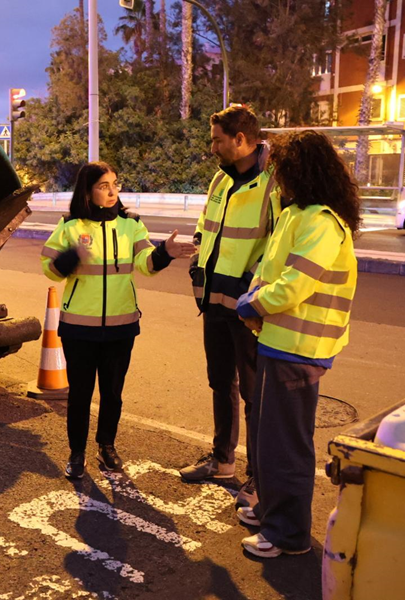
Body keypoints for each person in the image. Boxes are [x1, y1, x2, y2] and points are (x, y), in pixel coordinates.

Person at [233, 129, 360, 558]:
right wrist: (253, 303)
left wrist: (250, 306)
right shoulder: (297, 214)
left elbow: (292, 287)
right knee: (271, 439)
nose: (276, 178)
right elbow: (269, 271)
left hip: (300, 348)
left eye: (282, 170)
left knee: (286, 443)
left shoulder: (321, 222)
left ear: (300, 172)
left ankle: (287, 534)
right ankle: (272, 510)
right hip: (279, 341)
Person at [41, 162, 196, 478]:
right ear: (88, 191)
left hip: (121, 327)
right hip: (78, 329)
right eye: (103, 186)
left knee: (112, 393)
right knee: (80, 395)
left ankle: (107, 446)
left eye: (115, 184)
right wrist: (70, 257)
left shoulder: (131, 225)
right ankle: (76, 453)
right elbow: (48, 267)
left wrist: (163, 253)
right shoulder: (70, 225)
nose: (112, 191)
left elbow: (145, 264)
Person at [181, 105, 280, 510]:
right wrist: (195, 265)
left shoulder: (274, 181)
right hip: (214, 302)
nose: (213, 147)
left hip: (247, 308)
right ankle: (223, 461)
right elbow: (206, 226)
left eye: (217, 139)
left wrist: (249, 286)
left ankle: (259, 478)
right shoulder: (220, 179)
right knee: (220, 384)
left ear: (240, 139)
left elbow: (277, 242)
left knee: (256, 395)